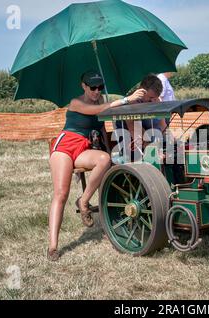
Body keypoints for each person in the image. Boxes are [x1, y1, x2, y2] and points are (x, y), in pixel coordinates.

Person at [47, 71, 147, 261]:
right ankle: (53, 246)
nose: (96, 91)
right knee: (61, 193)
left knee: (104, 159)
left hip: (84, 146)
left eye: (100, 87)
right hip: (65, 145)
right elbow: (98, 112)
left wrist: (109, 150)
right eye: (92, 87)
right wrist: (127, 99)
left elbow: (101, 127)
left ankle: (83, 201)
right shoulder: (76, 102)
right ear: (83, 86)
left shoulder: (100, 99)